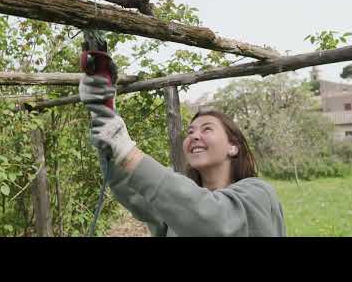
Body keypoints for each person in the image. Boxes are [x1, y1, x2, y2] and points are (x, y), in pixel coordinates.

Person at [79, 74, 287, 237]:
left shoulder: (258, 194)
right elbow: (132, 189)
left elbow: (214, 222)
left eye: (207, 129)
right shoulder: (176, 202)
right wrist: (102, 114)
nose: (195, 136)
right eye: (190, 132)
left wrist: (127, 151)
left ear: (233, 147)